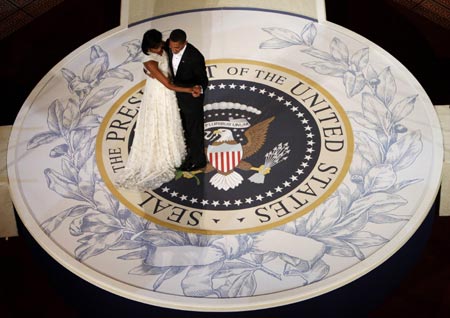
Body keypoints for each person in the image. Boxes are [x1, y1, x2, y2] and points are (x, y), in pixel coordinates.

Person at [114, 29, 200, 191]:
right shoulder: (149, 61)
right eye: (156, 48)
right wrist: (190, 90)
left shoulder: (163, 46)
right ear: (148, 48)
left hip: (167, 93)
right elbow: (168, 84)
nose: (160, 49)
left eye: (160, 44)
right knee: (160, 122)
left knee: (171, 121)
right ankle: (164, 154)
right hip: (160, 94)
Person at [167, 29, 209, 171]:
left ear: (185, 43)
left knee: (194, 130)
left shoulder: (195, 57)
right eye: (171, 47)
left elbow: (203, 80)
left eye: (177, 48)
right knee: (182, 128)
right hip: (175, 97)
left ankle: (199, 160)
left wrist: (198, 89)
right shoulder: (169, 46)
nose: (173, 50)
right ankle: (186, 154)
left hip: (191, 100)